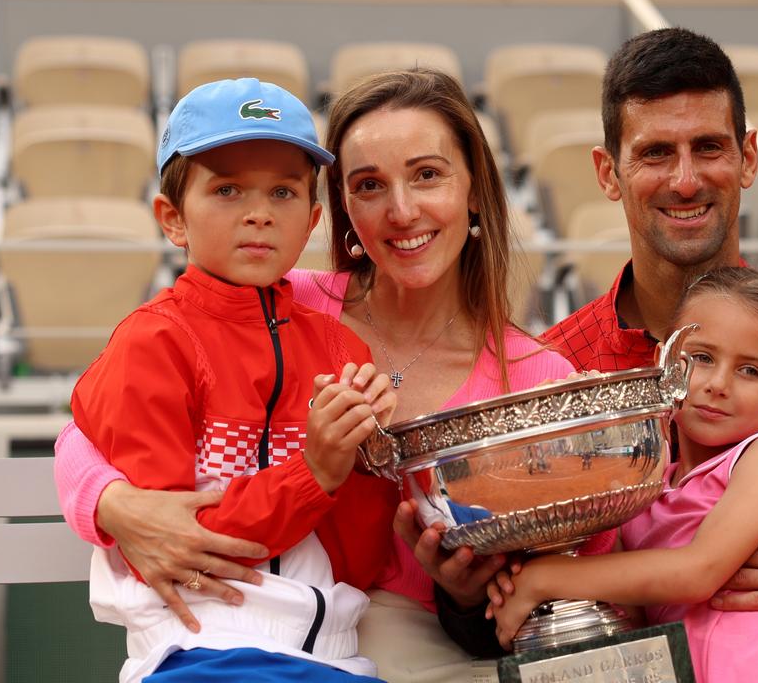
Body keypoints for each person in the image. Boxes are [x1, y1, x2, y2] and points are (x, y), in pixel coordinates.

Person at [417, 28, 758, 679]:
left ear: (749, 158)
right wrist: (465, 591)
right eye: (654, 153)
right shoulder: (555, 369)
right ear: (607, 173)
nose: (685, 180)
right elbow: (506, 618)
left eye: (708, 147)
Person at [53, 69, 575, 682]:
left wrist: (459, 588)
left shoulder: (538, 375)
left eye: (427, 175)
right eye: (369, 184)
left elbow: (555, 592)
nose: (402, 210)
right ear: (343, 210)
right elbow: (89, 429)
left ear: (476, 190)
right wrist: (111, 503)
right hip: (220, 634)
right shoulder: (269, 296)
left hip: (398, 639)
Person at [70, 77, 400, 682]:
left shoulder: (339, 345)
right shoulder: (152, 342)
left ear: (312, 221)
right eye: (227, 190)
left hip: (335, 654)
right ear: (173, 219)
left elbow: (358, 559)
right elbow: (175, 548)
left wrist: (368, 461)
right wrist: (316, 472)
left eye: (282, 192)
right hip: (200, 650)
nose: (258, 213)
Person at [487, 267, 758, 682]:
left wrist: (546, 579)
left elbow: (698, 572)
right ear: (663, 364)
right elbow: (633, 608)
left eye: (750, 370)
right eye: (701, 358)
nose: (718, 384)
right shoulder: (643, 486)